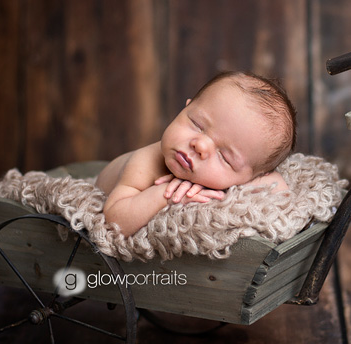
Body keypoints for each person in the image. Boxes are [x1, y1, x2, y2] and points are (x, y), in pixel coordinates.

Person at [95, 71, 297, 236]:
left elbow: (278, 189)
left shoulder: (245, 174)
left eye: (224, 157)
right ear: (186, 107)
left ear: (248, 176)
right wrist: (165, 196)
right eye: (198, 125)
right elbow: (114, 220)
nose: (200, 145)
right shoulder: (145, 162)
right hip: (104, 181)